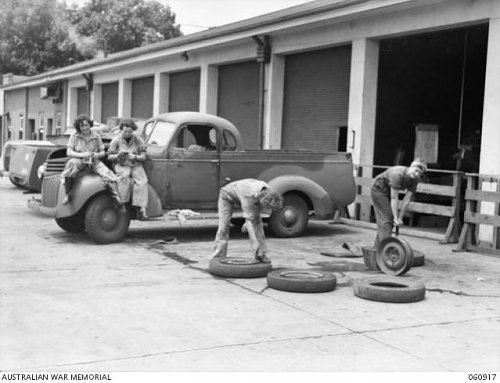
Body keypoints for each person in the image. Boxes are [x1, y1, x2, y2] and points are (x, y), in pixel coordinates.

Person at [211, 178, 283, 263]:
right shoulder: (248, 195)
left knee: (258, 222)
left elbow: (256, 215)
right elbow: (250, 221)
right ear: (262, 201)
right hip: (226, 195)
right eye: (267, 207)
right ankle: (218, 255)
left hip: (244, 193)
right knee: (224, 226)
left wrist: (249, 219)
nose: (266, 210)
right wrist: (255, 243)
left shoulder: (269, 191)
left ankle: (261, 254)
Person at [61, 114, 120, 205]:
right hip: (79, 160)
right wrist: (82, 154)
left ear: (90, 125)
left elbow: (103, 152)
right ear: (78, 127)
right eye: (82, 126)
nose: (85, 128)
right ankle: (67, 194)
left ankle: (115, 196)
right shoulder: (74, 136)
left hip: (94, 161)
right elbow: (68, 152)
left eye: (86, 125)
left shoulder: (96, 136)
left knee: (106, 172)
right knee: (71, 164)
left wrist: (97, 155)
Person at [371, 158, 427, 248]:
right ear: (411, 167)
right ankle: (385, 250)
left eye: (419, 173)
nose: (416, 174)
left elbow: (406, 200)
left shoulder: (415, 179)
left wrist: (399, 218)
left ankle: (377, 249)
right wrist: (395, 217)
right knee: (388, 219)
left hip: (388, 192)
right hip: (378, 190)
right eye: (416, 171)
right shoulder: (397, 174)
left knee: (389, 221)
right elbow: (394, 197)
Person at [108, 119, 149, 220]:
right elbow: (109, 157)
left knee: (142, 181)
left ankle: (141, 209)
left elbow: (143, 157)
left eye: (129, 132)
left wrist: (134, 156)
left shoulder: (138, 140)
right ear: (121, 130)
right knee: (123, 178)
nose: (127, 134)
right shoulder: (116, 140)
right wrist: (118, 155)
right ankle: (122, 203)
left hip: (135, 164)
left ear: (133, 131)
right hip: (122, 165)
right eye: (125, 131)